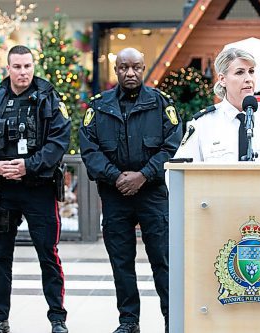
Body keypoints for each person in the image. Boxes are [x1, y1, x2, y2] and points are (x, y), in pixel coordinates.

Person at [80, 48, 182, 333]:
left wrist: (144, 175)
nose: (130, 73)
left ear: (144, 67)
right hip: (115, 196)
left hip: (152, 195)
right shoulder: (99, 106)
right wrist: (117, 178)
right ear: (116, 70)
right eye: (124, 68)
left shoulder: (162, 104)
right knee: (121, 262)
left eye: (136, 67)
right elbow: (89, 149)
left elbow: (173, 147)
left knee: (163, 261)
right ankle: (128, 321)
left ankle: (171, 320)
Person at [0, 45, 71, 333]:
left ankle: (57, 320)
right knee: (1, 257)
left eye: (27, 66)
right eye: (17, 67)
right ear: (8, 68)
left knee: (48, 255)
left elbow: (59, 140)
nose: (23, 72)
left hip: (39, 189)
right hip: (3, 191)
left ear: (33, 66)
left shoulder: (48, 98)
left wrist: (29, 165)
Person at [174, 47, 260, 162]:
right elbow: (176, 176)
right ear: (222, 79)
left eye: (251, 71)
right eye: (240, 72)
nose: (248, 78)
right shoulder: (203, 123)